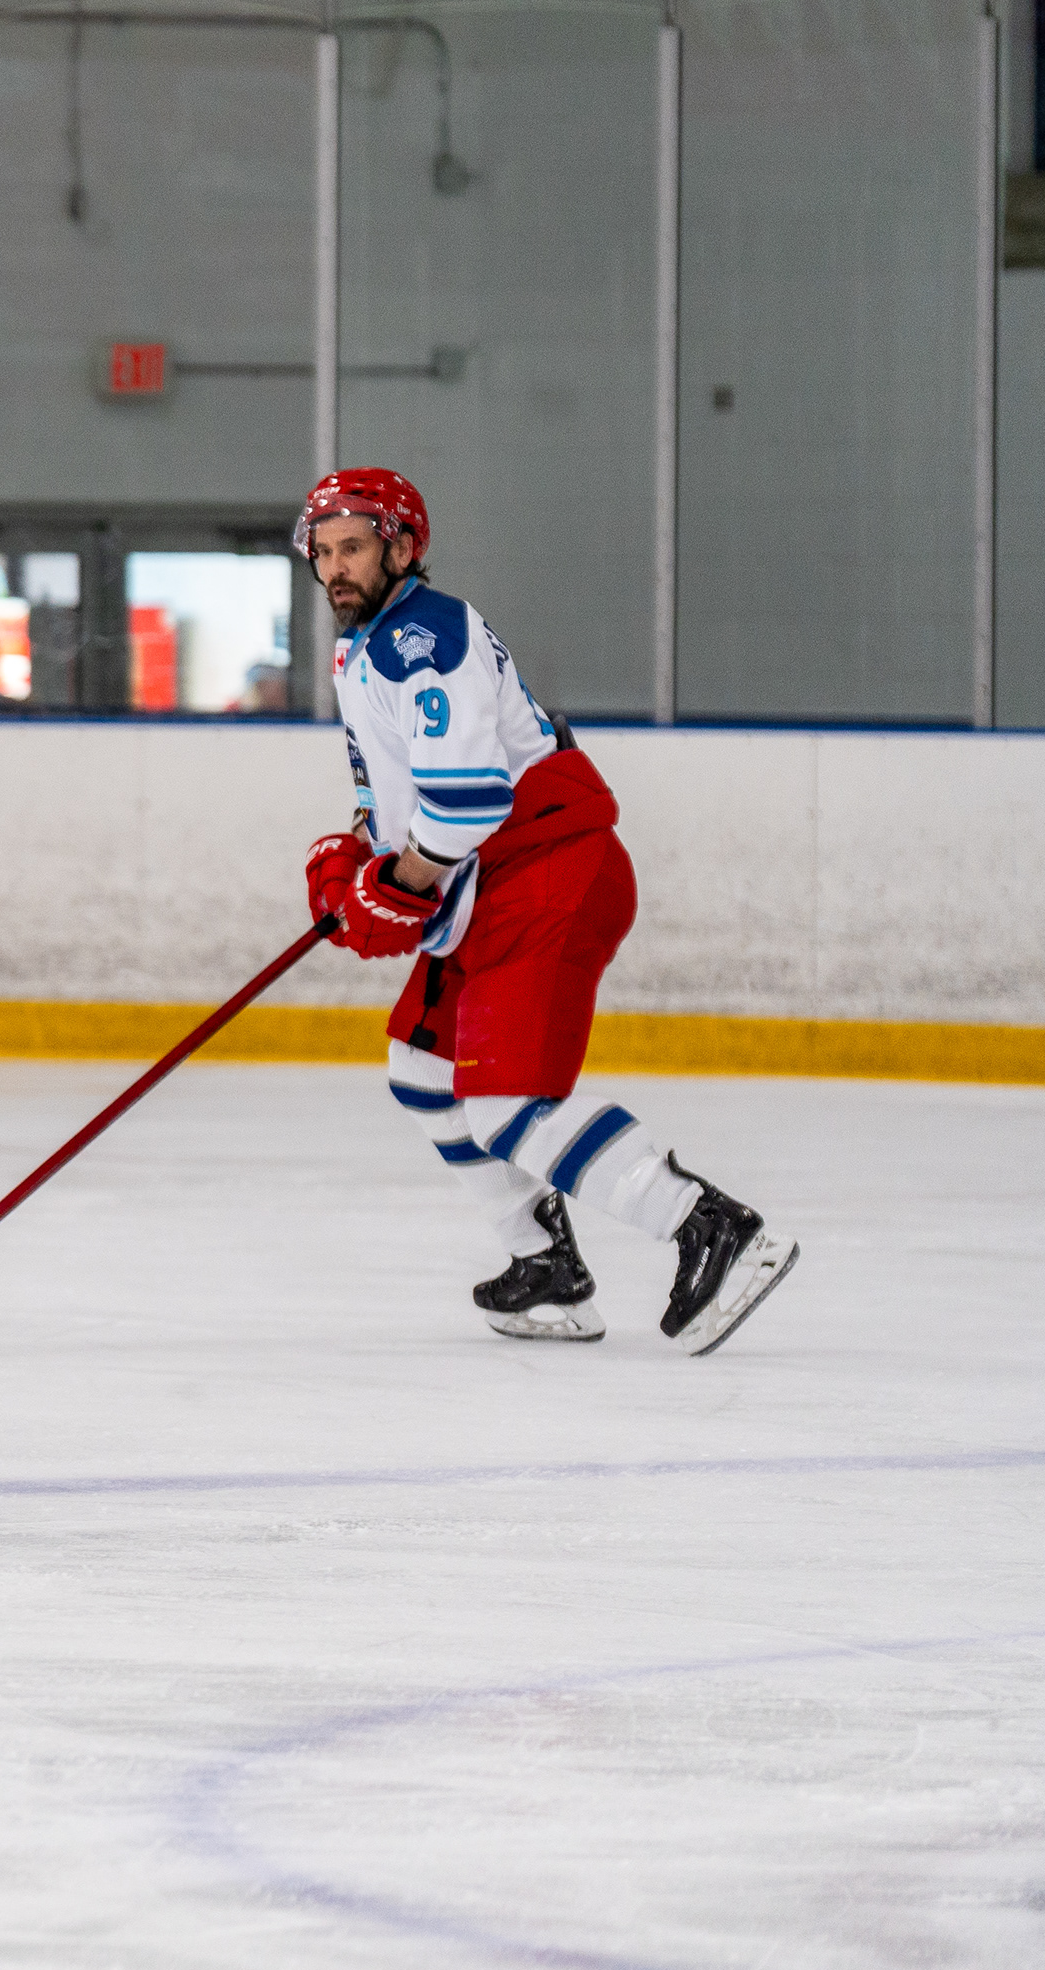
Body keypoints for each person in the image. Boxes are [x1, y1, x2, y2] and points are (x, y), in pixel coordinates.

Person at [295, 469, 796, 1351]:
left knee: (506, 1105)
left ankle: (711, 1229)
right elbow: (405, 794)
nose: (336, 568)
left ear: (402, 548)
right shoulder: (363, 647)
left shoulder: (420, 639)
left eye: (354, 548)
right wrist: (363, 861)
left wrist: (398, 885)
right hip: (493, 886)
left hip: (545, 877)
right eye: (324, 552)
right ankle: (544, 1266)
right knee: (423, 1070)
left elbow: (468, 800)